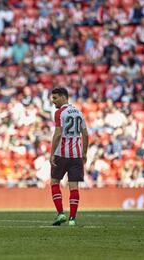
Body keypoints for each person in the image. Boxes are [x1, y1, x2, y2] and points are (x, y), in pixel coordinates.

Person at [49, 87, 88, 226]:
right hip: (77, 156)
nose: (53, 101)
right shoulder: (79, 112)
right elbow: (85, 134)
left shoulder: (59, 113)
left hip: (61, 154)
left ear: (63, 97)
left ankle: (60, 214)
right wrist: (84, 153)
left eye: (55, 98)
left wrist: (52, 153)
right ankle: (72, 219)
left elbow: (58, 133)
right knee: (74, 187)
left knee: (54, 182)